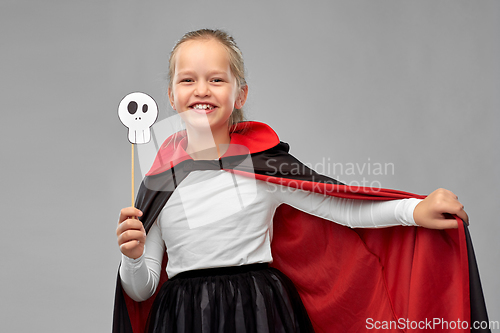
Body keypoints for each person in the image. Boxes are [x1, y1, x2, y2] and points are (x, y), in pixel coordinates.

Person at [114, 29, 477, 333]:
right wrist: (131, 259)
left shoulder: (263, 167)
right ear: (172, 96)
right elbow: (142, 289)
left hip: (257, 310)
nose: (202, 89)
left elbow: (343, 208)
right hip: (184, 317)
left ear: (239, 94)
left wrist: (414, 211)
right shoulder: (160, 181)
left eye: (217, 79)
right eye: (188, 80)